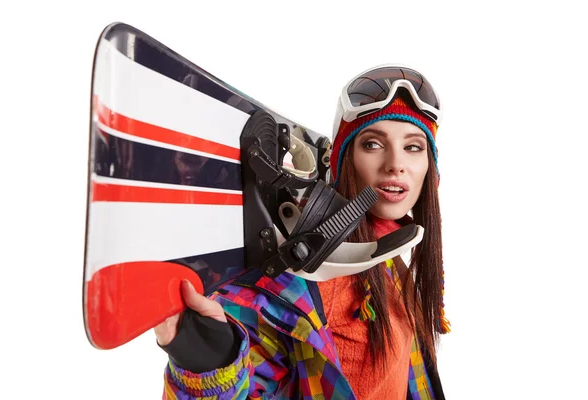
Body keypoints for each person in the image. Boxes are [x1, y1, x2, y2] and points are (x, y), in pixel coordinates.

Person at [154, 64, 450, 400]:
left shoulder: (391, 258)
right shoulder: (294, 288)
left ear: (430, 166)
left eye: (413, 147)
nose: (396, 164)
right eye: (372, 144)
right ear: (343, 161)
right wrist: (211, 362)